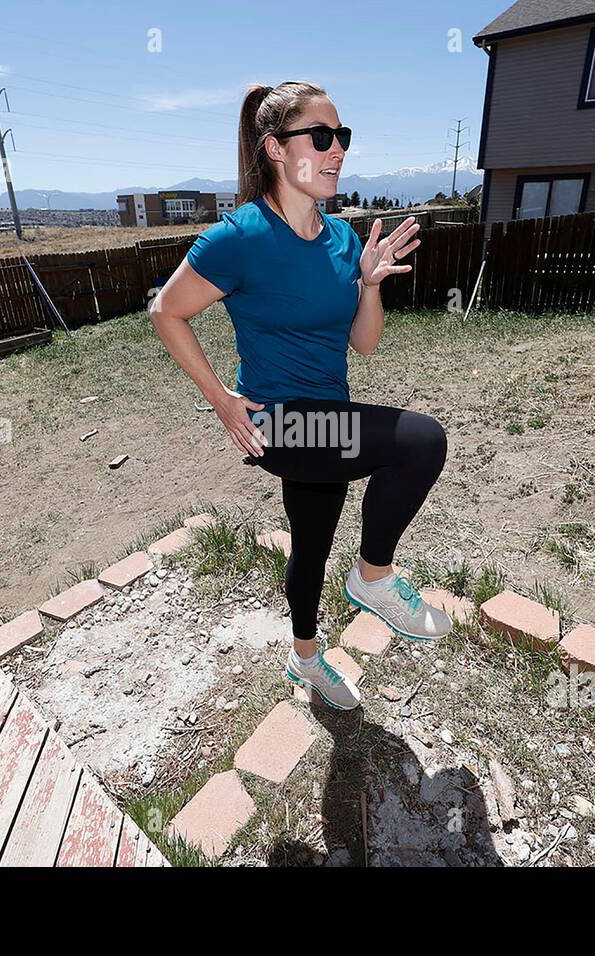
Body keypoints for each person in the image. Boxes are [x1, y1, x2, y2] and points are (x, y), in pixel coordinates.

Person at [150, 81, 451, 711]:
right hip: (281, 427)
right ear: (277, 150)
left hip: (329, 421)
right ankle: (374, 578)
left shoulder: (343, 239)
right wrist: (223, 402)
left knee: (311, 542)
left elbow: (364, 346)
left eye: (343, 136)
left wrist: (368, 285)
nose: (337, 149)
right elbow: (166, 312)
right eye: (321, 136)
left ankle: (305, 659)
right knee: (421, 441)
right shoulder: (242, 237)